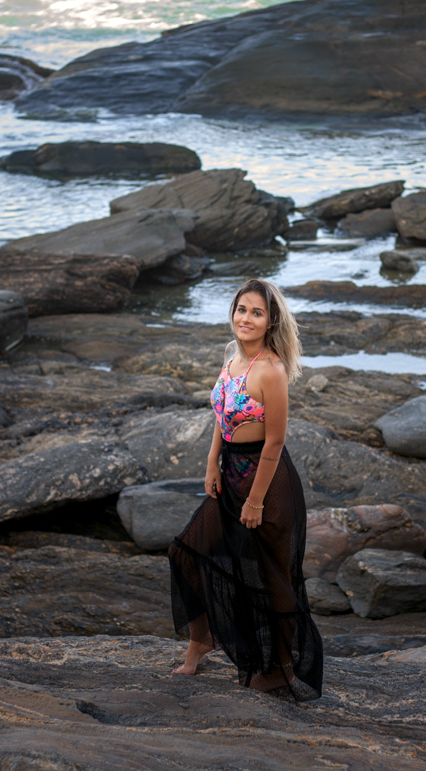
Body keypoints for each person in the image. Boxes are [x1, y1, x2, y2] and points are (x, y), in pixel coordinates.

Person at [167, 278, 323, 701]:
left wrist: (255, 499)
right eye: (241, 309)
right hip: (231, 472)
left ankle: (281, 668)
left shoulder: (271, 370)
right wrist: (211, 461)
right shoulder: (231, 356)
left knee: (273, 578)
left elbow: (274, 441)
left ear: (271, 321)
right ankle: (201, 640)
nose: (246, 318)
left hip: (266, 483)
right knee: (185, 552)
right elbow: (222, 414)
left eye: (257, 312)